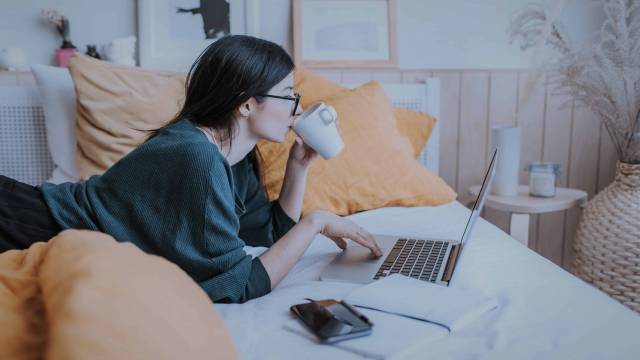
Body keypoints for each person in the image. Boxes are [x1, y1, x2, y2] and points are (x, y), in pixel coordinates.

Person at [0, 35, 382, 303]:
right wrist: (314, 223)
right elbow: (240, 286)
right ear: (247, 104)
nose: (297, 108)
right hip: (33, 224)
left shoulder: (235, 157)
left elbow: (267, 236)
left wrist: (299, 167)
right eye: (288, 95)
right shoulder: (196, 157)